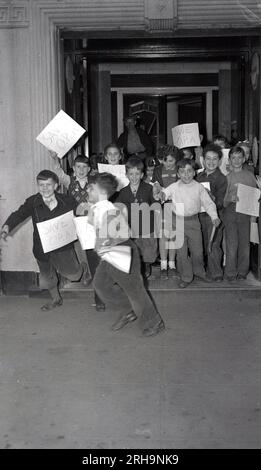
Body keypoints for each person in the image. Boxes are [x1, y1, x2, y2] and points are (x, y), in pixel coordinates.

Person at [87, 172, 165, 337]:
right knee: (100, 284)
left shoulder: (109, 209)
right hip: (110, 254)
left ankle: (153, 322)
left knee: (135, 290)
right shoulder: (97, 208)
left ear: (101, 193)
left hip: (123, 252)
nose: (88, 190)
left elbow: (125, 232)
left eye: (91, 188)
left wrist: (103, 241)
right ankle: (129, 310)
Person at [0, 170, 87, 310]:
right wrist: (7, 226)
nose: (45, 188)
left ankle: (83, 267)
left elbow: (80, 210)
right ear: (37, 185)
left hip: (63, 247)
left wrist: (91, 212)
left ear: (56, 186)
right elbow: (19, 213)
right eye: (41, 185)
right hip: (42, 248)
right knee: (47, 277)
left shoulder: (66, 200)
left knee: (73, 275)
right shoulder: (33, 201)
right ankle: (56, 299)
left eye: (48, 184)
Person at [154, 159, 220, 288]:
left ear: (194, 172)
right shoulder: (174, 186)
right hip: (177, 222)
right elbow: (165, 194)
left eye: (189, 171)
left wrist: (214, 216)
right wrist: (160, 194)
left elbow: (208, 203)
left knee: (198, 251)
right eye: (182, 172)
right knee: (182, 252)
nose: (186, 174)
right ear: (178, 174)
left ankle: (200, 272)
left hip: (193, 222)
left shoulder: (199, 187)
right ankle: (186, 276)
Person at [116, 157, 158, 280]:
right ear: (126, 175)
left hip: (147, 225)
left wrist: (157, 196)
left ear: (142, 175)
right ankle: (138, 267)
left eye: (137, 174)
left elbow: (155, 204)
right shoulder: (123, 192)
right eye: (131, 174)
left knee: (149, 250)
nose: (134, 177)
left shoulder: (149, 189)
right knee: (135, 249)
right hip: (131, 226)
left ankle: (147, 263)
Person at [223, 146, 257, 281]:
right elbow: (223, 201)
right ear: (229, 159)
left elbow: (255, 197)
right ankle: (230, 272)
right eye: (233, 157)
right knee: (232, 244)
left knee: (244, 244)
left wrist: (253, 217)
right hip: (231, 213)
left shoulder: (250, 176)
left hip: (246, 213)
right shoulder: (227, 177)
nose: (236, 160)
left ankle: (242, 271)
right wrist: (229, 199)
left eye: (239, 157)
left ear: (244, 159)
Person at [196, 144, 227, 281]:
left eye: (215, 159)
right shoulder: (197, 176)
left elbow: (221, 202)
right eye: (208, 158)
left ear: (220, 161)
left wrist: (211, 197)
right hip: (198, 215)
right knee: (201, 243)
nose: (211, 162)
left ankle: (216, 273)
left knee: (214, 243)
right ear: (203, 160)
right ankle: (203, 270)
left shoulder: (222, 179)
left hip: (214, 217)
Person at [152, 145, 179, 279]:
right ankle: (163, 265)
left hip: (176, 207)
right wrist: (157, 191)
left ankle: (172, 264)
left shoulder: (180, 169)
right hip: (162, 207)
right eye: (165, 161)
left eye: (171, 161)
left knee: (173, 235)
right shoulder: (157, 170)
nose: (168, 164)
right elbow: (155, 186)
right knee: (163, 235)